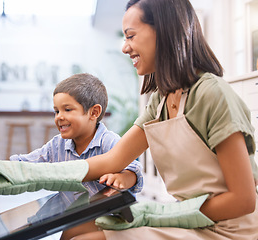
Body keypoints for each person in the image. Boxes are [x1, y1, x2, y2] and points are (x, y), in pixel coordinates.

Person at [70, 0, 258, 239]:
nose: (125, 48)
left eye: (130, 36)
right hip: (191, 222)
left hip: (227, 230)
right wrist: (29, 174)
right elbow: (112, 160)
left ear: (165, 31)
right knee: (75, 228)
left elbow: (243, 200)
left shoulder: (212, 94)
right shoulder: (160, 101)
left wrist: (159, 214)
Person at [8, 73, 143, 239]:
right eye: (56, 111)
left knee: (71, 234)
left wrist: (123, 178)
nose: (59, 117)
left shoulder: (109, 142)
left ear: (94, 113)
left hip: (113, 220)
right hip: (76, 216)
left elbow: (134, 169)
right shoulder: (56, 146)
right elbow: (28, 163)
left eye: (67, 109)